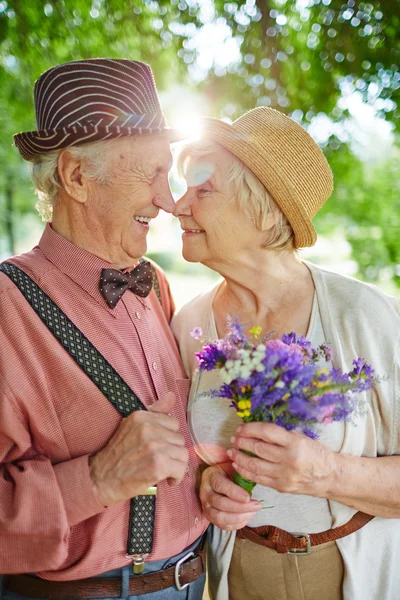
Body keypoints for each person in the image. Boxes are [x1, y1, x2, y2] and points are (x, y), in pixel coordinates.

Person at [171, 107, 400, 600]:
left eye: (203, 189)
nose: (177, 204)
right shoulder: (188, 324)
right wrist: (208, 482)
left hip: (344, 577)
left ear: (264, 208)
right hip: (234, 576)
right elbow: (194, 456)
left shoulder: (366, 315)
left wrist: (328, 471)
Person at [0, 58, 208, 600]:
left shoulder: (156, 284)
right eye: (150, 173)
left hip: (195, 582)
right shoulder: (6, 308)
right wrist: (96, 480)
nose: (168, 200)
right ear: (76, 177)